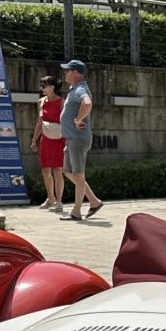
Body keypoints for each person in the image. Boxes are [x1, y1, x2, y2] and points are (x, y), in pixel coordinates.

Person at [58, 59, 106, 222]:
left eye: (68, 70)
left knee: (78, 175)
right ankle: (94, 201)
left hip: (78, 139)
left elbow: (87, 103)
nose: (65, 73)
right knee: (68, 172)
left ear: (76, 73)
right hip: (72, 139)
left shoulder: (80, 89)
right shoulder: (74, 89)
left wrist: (78, 119)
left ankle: (76, 212)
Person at [30, 75, 66, 213]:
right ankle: (50, 198)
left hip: (59, 138)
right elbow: (40, 122)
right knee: (45, 170)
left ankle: (59, 201)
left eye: (44, 86)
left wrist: (67, 141)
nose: (41, 88)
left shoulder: (62, 102)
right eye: (41, 85)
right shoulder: (41, 102)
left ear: (52, 87)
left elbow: (66, 123)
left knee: (57, 169)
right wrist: (34, 140)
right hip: (46, 138)